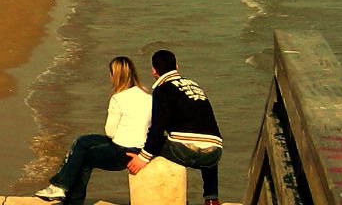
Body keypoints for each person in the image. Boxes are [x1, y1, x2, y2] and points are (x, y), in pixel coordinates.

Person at [35, 56, 151, 204]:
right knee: (82, 141)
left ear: (114, 76)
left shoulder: (118, 98)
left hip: (122, 152)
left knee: (84, 157)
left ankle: (69, 197)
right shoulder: (149, 98)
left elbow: (110, 133)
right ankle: (59, 186)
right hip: (139, 150)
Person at [126, 50, 223, 205]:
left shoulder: (162, 89)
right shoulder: (194, 85)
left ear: (154, 71)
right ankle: (211, 198)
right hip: (214, 153)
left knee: (146, 145)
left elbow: (157, 128)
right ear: (177, 66)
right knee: (207, 141)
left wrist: (143, 157)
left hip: (185, 151)